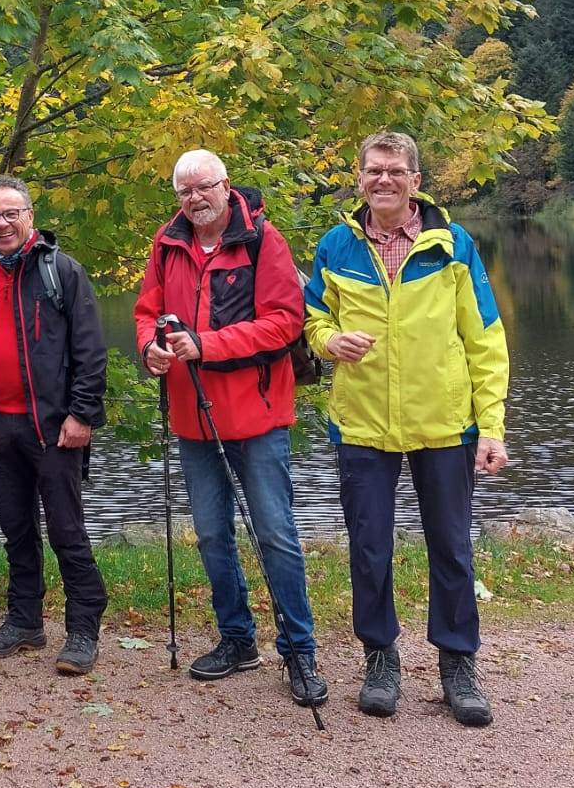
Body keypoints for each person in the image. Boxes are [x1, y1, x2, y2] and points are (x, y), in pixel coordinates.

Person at [305, 130, 510, 726]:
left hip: (445, 424)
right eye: (374, 171)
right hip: (363, 424)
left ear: (416, 181)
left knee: (451, 547)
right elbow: (315, 318)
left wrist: (491, 426)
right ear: (359, 178)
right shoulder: (336, 245)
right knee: (369, 549)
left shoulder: (453, 246)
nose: (384, 180)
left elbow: (486, 338)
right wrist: (327, 341)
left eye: (396, 171)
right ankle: (380, 658)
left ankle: (457, 663)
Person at [133, 150, 327, 707]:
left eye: (204, 188)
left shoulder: (264, 240)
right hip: (193, 416)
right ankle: (238, 640)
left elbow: (285, 321)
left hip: (258, 414)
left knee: (275, 535)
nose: (195, 199)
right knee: (214, 534)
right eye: (184, 191)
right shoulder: (167, 242)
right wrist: (150, 348)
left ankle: (299, 651)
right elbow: (148, 310)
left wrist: (207, 345)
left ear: (225, 186)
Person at [0, 175, 109, 676]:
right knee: (15, 529)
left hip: (54, 428)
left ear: (30, 217)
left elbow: (90, 350)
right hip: (1, 424)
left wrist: (82, 414)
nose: (2, 224)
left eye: (10, 213)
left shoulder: (61, 272)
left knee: (67, 531)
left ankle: (83, 628)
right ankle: (25, 621)